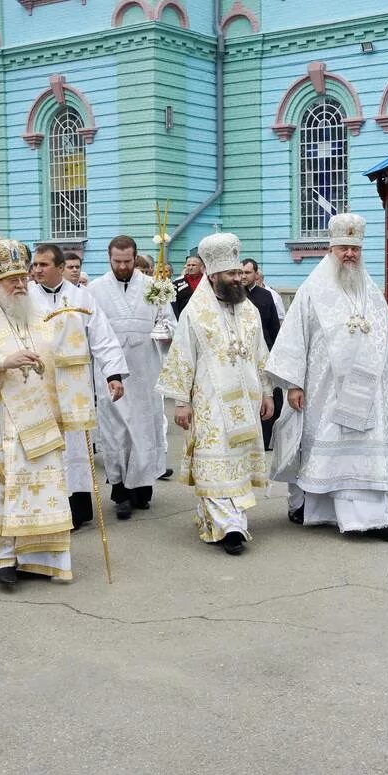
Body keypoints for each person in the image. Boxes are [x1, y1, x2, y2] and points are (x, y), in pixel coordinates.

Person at [0, 239, 88, 585]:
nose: (19, 284)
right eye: (10, 280)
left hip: (40, 421)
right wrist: (0, 362)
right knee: (3, 486)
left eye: (21, 277)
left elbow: (60, 358)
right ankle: (1, 557)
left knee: (40, 487)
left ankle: (37, 554)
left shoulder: (37, 318)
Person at [267, 214, 388, 543]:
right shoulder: (312, 290)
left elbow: (386, 335)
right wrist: (293, 385)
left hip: (368, 393)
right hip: (325, 394)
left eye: (355, 249)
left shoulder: (370, 290)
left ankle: (376, 519)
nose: (350, 255)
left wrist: (386, 379)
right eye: (344, 248)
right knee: (326, 455)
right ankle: (318, 510)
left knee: (367, 454)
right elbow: (293, 339)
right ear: (331, 249)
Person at [158, 232, 274, 555]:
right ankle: (230, 527)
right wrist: (181, 402)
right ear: (213, 276)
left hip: (246, 402)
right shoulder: (195, 313)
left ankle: (228, 519)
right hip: (210, 403)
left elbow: (259, 353)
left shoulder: (249, 310)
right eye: (231, 274)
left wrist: (267, 393)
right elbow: (182, 356)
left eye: (239, 273)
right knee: (216, 462)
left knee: (237, 463)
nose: (238, 279)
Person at [30, 243, 129, 530]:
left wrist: (113, 374)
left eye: (43, 265)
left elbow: (102, 337)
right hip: (40, 384)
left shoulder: (81, 297)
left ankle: (77, 505)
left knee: (75, 445)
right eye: (35, 265)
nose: (37, 269)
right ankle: (48, 507)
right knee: (45, 445)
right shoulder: (25, 298)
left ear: (60, 268)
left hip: (74, 384)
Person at [88, 236, 175, 520]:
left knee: (144, 428)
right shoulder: (95, 290)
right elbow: (89, 331)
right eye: (117, 261)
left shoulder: (153, 288)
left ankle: (142, 489)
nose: (122, 266)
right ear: (109, 258)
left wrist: (165, 331)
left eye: (127, 261)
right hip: (111, 372)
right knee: (116, 432)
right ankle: (120, 492)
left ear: (135, 258)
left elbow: (170, 324)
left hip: (145, 369)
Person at [240, 257, 283, 450]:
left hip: (264, 352)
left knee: (269, 395)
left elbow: (274, 327)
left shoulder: (266, 296)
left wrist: (277, 354)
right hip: (241, 355)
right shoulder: (233, 296)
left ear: (256, 274)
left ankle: (268, 439)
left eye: (247, 273)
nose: (243, 276)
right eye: (240, 272)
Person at [172, 253, 204, 319]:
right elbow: (174, 303)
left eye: (193, 265)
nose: (190, 267)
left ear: (201, 266)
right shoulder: (177, 282)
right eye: (188, 265)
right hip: (184, 317)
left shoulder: (207, 280)